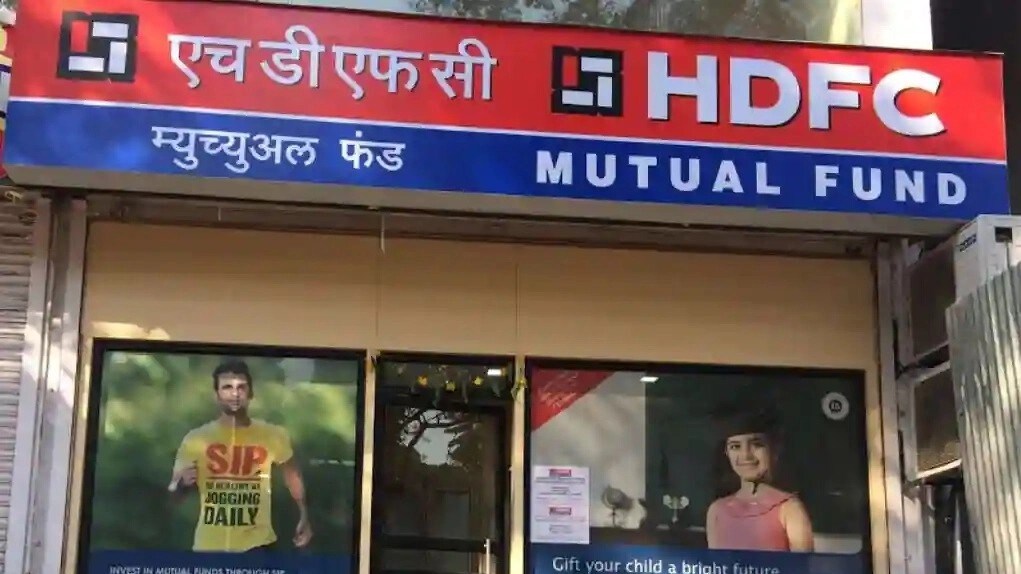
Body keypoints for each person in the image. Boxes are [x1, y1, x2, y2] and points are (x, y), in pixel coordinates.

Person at [168, 358, 312, 553]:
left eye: (241, 387)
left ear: (250, 393)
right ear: (216, 395)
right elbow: (173, 495)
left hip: (257, 547)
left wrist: (304, 515)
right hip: (209, 549)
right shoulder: (195, 439)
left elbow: (292, 475)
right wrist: (182, 484)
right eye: (227, 387)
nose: (235, 394)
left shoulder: (273, 435)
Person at [705, 405, 813, 552]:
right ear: (726, 453)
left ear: (774, 449)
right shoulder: (717, 511)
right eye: (735, 446)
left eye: (757, 445)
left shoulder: (789, 509)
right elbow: (716, 563)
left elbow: (802, 564)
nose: (746, 456)